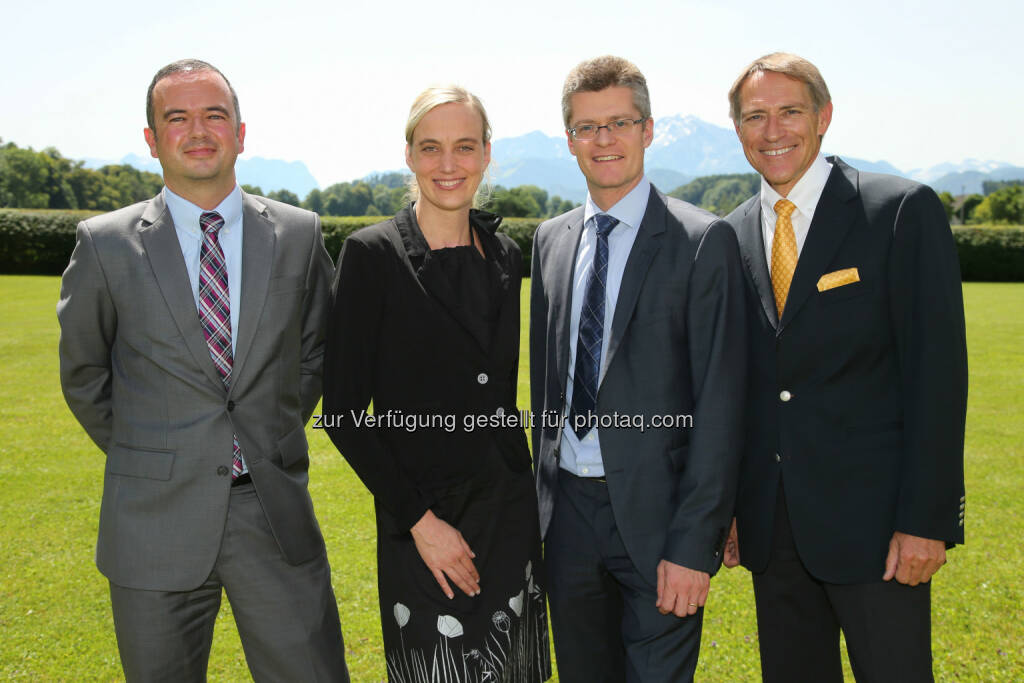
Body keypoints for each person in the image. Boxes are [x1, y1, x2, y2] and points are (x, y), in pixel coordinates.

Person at [57, 59, 349, 681]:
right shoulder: (105, 244)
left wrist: (266, 433)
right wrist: (157, 454)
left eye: (215, 115)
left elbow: (317, 353)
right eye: (177, 117)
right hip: (152, 521)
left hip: (270, 513)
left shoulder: (298, 234)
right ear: (152, 139)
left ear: (240, 132)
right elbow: (85, 375)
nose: (198, 130)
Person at [722, 52, 968, 682]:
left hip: (878, 531)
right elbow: (737, 387)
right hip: (773, 536)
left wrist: (925, 522)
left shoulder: (899, 211)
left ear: (824, 116)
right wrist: (729, 509)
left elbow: (937, 381)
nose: (772, 130)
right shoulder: (729, 235)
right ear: (738, 128)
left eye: (789, 111)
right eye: (755, 116)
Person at [322, 85, 551, 683]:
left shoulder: (504, 252)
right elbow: (343, 413)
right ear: (409, 154)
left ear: (486, 154)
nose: (448, 165)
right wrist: (421, 523)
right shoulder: (370, 255)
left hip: (509, 518)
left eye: (464, 147)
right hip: (422, 525)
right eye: (431, 148)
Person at [530, 55, 746, 682]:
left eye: (619, 123)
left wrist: (692, 545)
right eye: (586, 127)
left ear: (648, 130)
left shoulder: (703, 241)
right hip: (566, 519)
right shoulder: (550, 240)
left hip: (659, 526)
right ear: (569, 140)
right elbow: (548, 387)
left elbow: (721, 407)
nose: (604, 141)